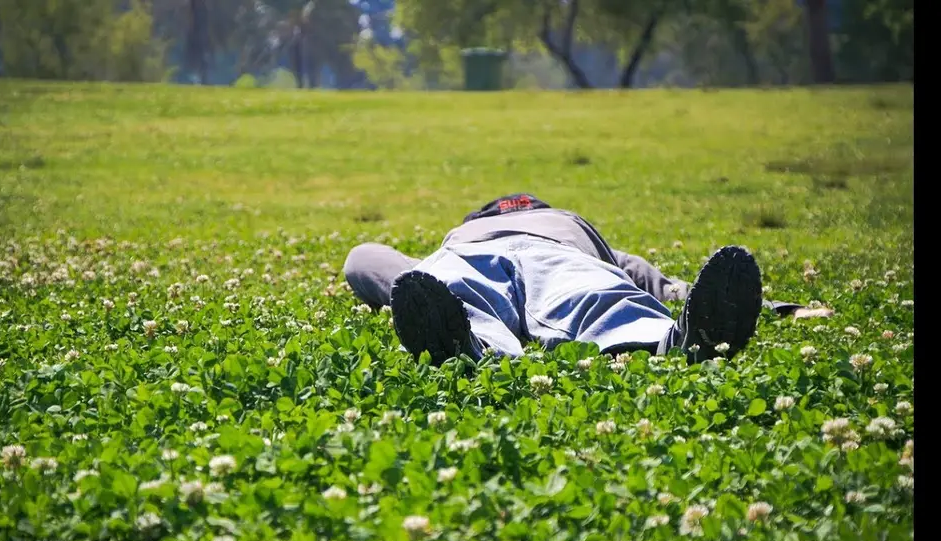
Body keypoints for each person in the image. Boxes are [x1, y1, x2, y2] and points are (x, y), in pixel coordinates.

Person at [343, 193, 832, 366]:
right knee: (596, 295)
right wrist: (412, 280)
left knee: (596, 294)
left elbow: (366, 259)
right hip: (486, 256)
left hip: (524, 257)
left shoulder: (574, 230)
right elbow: (659, 284)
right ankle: (465, 344)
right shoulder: (571, 229)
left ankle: (682, 341)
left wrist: (776, 308)